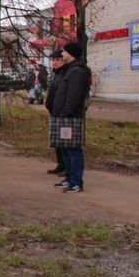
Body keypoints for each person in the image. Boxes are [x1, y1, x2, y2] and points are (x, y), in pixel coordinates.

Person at [49, 41, 91, 193]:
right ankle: (69, 177)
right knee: (66, 148)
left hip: (70, 118)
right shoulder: (70, 70)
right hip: (64, 116)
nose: (62, 54)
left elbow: (73, 96)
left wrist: (65, 113)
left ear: (71, 53)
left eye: (64, 51)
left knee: (73, 149)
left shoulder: (77, 71)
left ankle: (76, 181)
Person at [43, 50, 66, 177]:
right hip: (54, 110)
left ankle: (66, 166)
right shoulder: (54, 73)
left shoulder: (65, 73)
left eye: (58, 60)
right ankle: (60, 164)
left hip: (62, 111)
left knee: (64, 141)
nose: (55, 63)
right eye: (53, 60)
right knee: (57, 140)